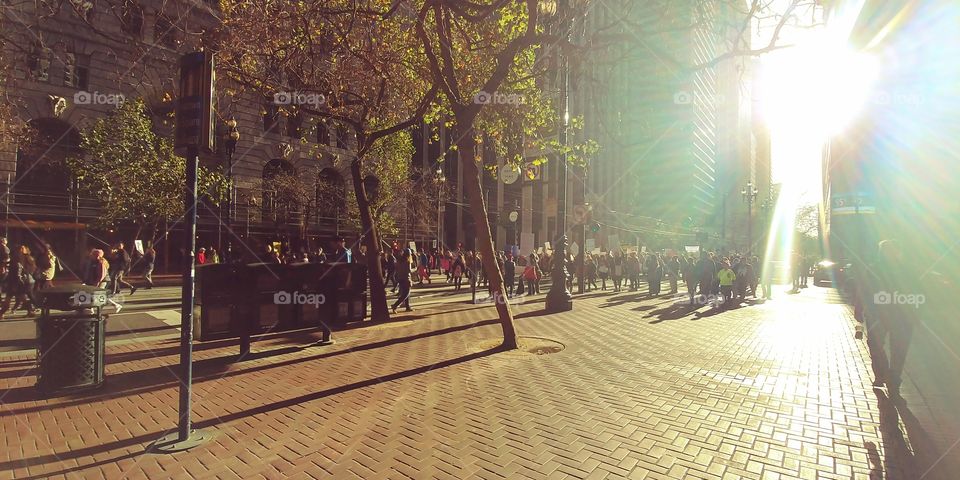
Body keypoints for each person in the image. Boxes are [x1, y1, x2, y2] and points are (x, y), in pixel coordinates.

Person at [859, 239, 919, 396]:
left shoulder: (874, 269)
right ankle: (891, 376)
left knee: (877, 344)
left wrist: (859, 308)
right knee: (897, 349)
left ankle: (884, 374)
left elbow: (864, 290)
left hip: (881, 315)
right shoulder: (907, 270)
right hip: (899, 316)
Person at [0, 245, 37, 318]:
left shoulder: (16, 262)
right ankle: (30, 311)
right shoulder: (23, 260)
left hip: (16, 283)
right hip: (19, 283)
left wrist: (13, 284)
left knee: (10, 299)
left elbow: (16, 274)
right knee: (22, 298)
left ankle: (1, 313)